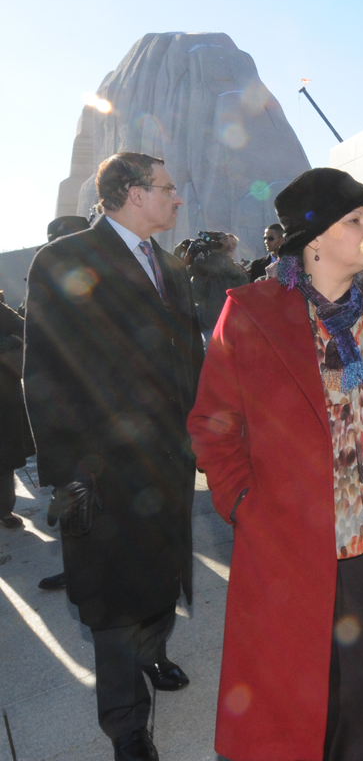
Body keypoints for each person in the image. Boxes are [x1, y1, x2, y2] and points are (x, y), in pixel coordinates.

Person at [188, 168, 363, 761]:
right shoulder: (252, 313)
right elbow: (212, 423)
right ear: (312, 239)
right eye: (354, 221)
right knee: (299, 688)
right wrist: (244, 506)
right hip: (289, 540)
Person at [23, 152, 204, 761]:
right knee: (113, 597)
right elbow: (44, 372)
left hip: (168, 462)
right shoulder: (64, 261)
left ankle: (152, 653)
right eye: (167, 188)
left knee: (159, 578)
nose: (177, 199)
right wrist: (65, 476)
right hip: (103, 468)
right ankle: (126, 724)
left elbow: (189, 361)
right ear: (130, 193)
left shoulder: (173, 267)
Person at [35, 215, 94, 589]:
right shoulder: (51, 287)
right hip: (70, 415)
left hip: (109, 415)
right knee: (73, 498)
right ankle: (78, 571)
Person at [0, 300, 34, 529]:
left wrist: (11, 341)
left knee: (4, 458)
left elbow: (23, 325)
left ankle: (4, 510)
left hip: (4, 394)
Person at [190, 231, 248, 343]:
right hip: (210, 322)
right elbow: (196, 293)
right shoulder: (202, 263)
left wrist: (230, 269)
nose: (230, 246)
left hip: (232, 321)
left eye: (233, 244)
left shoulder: (232, 265)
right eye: (226, 241)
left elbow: (244, 286)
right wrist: (200, 271)